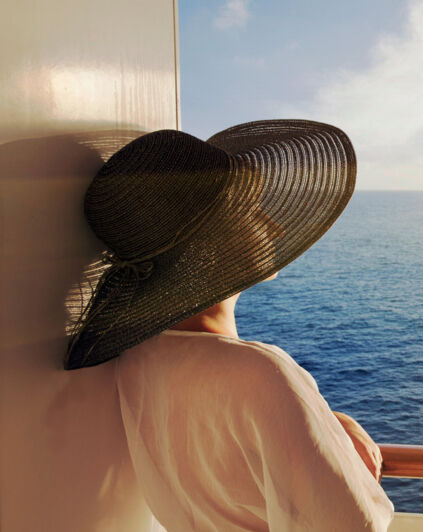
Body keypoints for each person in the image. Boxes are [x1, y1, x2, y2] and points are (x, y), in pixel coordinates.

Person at [65, 120, 393, 531]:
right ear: (211, 240)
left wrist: (330, 426)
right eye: (253, 211)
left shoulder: (140, 357)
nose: (273, 225)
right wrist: (343, 450)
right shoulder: (260, 373)